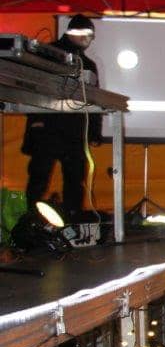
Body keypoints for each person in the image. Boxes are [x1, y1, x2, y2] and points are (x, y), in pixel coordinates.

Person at [21, 14, 102, 220]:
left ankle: (71, 221)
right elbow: (33, 87)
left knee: (74, 180)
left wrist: (94, 132)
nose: (87, 40)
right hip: (47, 128)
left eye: (90, 36)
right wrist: (36, 120)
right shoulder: (47, 53)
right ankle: (31, 221)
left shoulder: (87, 64)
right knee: (39, 178)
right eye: (85, 34)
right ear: (73, 33)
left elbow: (94, 98)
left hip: (74, 131)